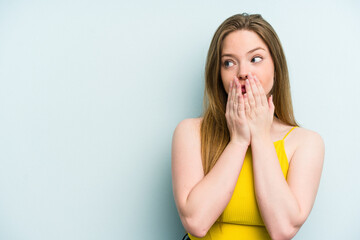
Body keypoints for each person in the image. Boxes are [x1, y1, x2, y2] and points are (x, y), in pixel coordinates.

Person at [171, 13, 325, 240]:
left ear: (276, 67)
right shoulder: (190, 132)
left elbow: (283, 229)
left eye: (255, 59)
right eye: (229, 62)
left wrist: (260, 136)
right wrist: (240, 140)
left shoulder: (306, 143)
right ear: (218, 74)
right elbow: (196, 222)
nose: (243, 72)